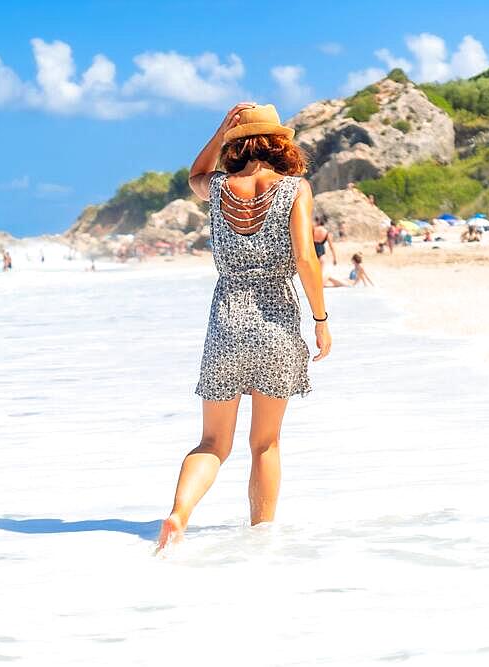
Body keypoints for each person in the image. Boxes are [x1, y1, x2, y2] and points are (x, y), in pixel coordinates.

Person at [156, 102, 332, 551]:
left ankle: (179, 513)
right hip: (276, 322)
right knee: (265, 443)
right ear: (280, 144)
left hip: (226, 324)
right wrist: (320, 320)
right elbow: (307, 259)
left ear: (237, 143)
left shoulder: (217, 188)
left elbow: (194, 173)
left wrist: (220, 131)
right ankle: (261, 541)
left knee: (213, 443)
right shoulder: (295, 189)